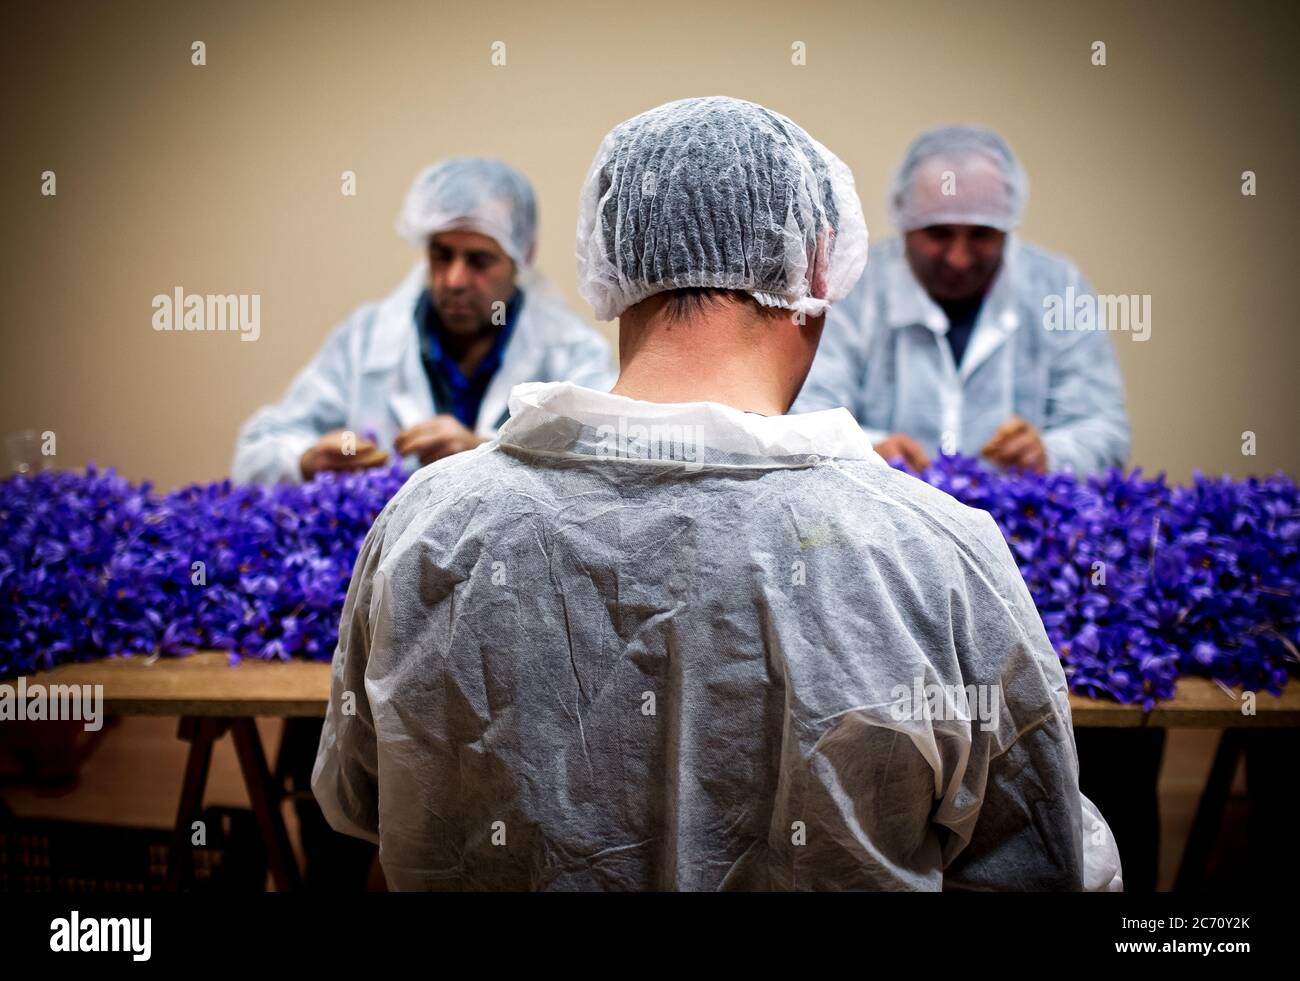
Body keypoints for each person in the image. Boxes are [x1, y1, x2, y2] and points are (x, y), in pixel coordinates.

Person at [312, 96, 1122, 891]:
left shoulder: (424, 524)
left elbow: (360, 807)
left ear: (613, 261)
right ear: (819, 266)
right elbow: (1036, 861)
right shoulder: (938, 558)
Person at [231, 157, 615, 484]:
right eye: (442, 255)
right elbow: (256, 451)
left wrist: (490, 454)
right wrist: (304, 460)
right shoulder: (365, 340)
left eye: (479, 261)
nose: (454, 280)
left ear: (521, 258)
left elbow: (608, 470)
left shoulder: (571, 353)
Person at [794, 125, 1130, 476]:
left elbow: (1103, 426)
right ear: (904, 223)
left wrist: (1049, 454)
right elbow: (806, 412)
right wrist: (868, 450)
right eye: (939, 233)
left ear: (1007, 228)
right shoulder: (853, 288)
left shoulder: (1060, 290)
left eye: (981, 234)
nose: (959, 258)